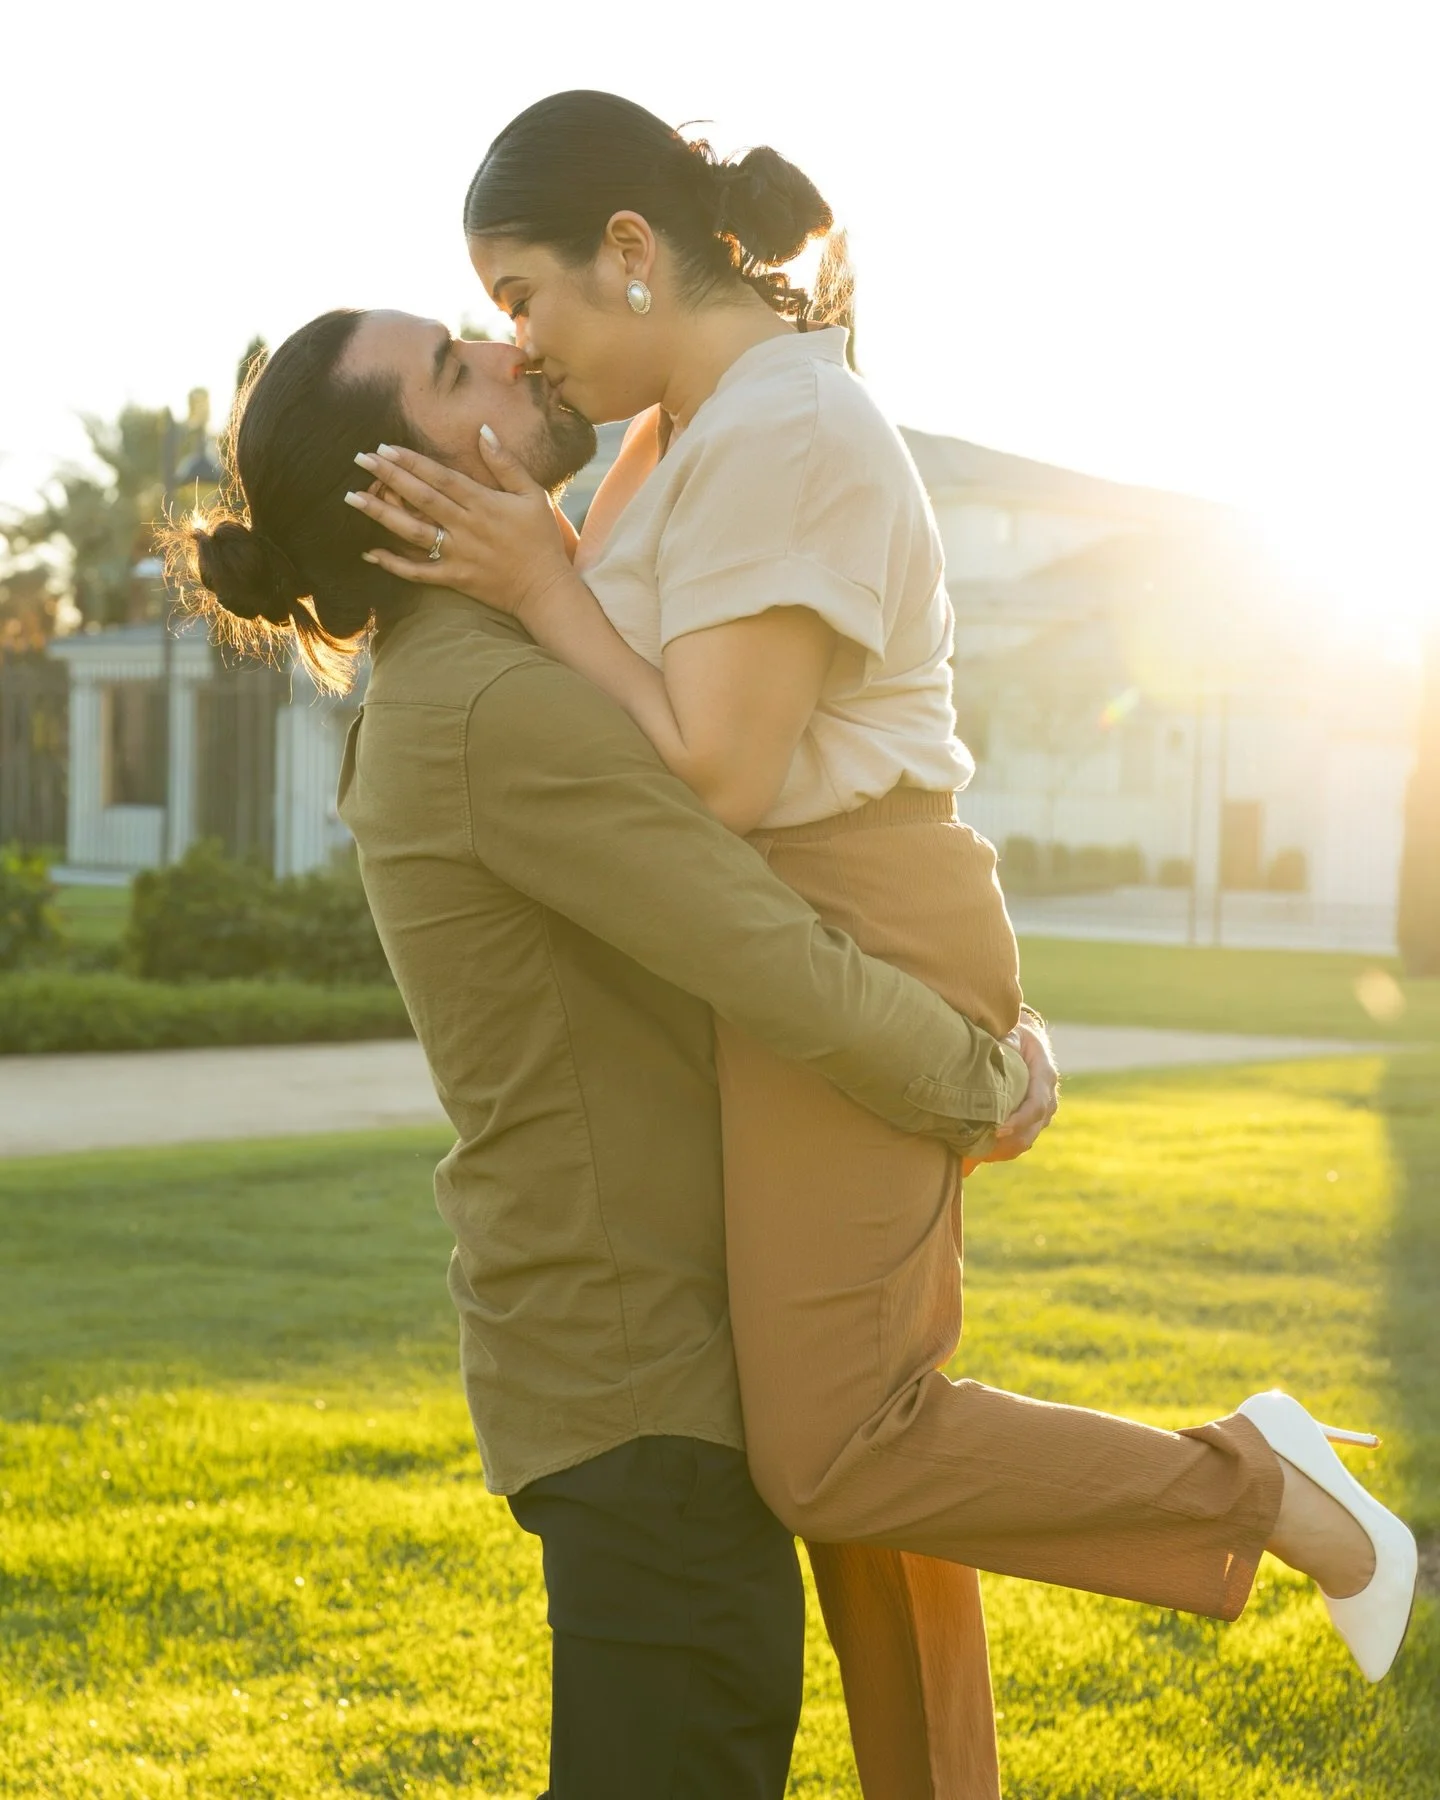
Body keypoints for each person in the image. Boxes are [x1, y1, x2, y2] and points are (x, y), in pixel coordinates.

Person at [349, 91, 1417, 1799]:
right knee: (870, 1456)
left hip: (845, 901)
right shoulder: (687, 426)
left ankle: (1267, 1490)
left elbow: (717, 768)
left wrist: (548, 591)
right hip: (827, 906)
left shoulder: (780, 427)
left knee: (840, 1450)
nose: (518, 343)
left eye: (522, 293)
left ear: (629, 252)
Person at [164, 303, 1056, 1800]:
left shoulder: (508, 665)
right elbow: (764, 952)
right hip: (643, 1398)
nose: (513, 354)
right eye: (460, 370)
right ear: (402, 494)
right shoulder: (492, 706)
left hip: (643, 1384)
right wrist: (986, 1076)